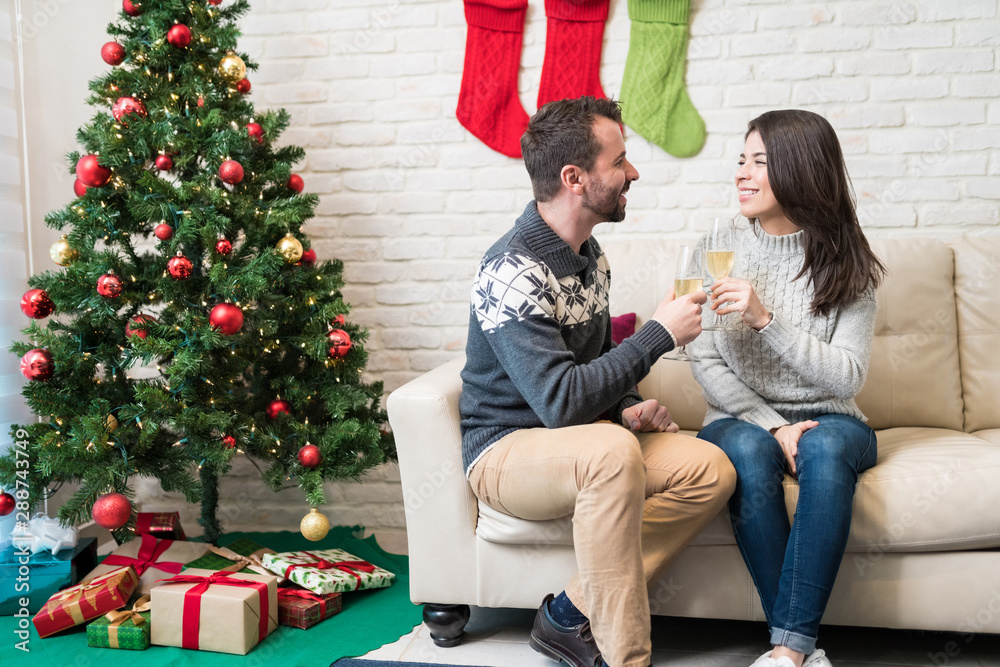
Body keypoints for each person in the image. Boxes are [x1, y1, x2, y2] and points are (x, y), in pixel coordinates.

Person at [459, 96, 736, 667]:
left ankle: (568, 613)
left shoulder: (591, 258)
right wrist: (658, 334)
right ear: (575, 178)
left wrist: (628, 407)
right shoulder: (511, 269)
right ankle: (624, 659)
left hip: (577, 441)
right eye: (621, 161)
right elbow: (560, 402)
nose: (633, 172)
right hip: (505, 451)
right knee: (610, 451)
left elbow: (596, 364)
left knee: (709, 469)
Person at [691, 109, 886, 667]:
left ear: (801, 171)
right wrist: (773, 425)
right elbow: (702, 354)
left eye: (760, 162)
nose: (742, 174)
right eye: (741, 160)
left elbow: (847, 375)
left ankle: (788, 647)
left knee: (823, 445)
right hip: (740, 418)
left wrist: (765, 320)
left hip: (834, 419)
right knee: (751, 452)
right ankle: (796, 649)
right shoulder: (717, 244)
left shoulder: (847, 260)